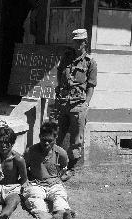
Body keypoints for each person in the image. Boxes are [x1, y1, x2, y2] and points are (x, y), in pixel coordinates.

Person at [55, 28, 97, 180]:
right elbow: (60, 73)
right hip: (63, 103)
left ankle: (71, 168)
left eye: (80, 41)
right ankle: (55, 166)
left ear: (86, 42)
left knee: (76, 139)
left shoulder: (90, 63)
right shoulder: (66, 57)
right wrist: (59, 89)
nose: (77, 44)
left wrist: (86, 103)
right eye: (75, 41)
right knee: (58, 136)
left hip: (78, 105)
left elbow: (91, 85)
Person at [22, 122, 75, 219]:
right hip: (36, 183)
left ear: (55, 138)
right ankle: (42, 214)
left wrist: (58, 178)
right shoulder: (31, 151)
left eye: (50, 141)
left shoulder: (61, 153)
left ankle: (62, 212)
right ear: (39, 136)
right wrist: (26, 180)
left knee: (60, 196)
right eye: (43, 140)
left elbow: (63, 168)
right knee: (34, 196)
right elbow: (24, 167)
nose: (46, 143)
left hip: (54, 183)